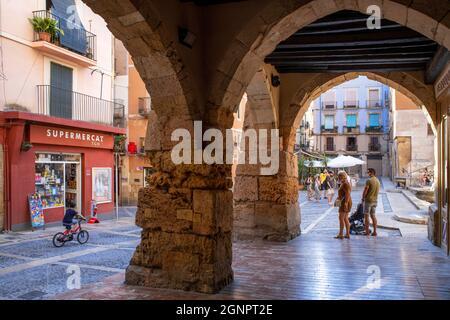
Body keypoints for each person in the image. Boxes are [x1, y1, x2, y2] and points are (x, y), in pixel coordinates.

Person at [362, 168, 381, 236]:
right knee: (373, 216)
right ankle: (375, 231)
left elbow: (365, 190)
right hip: (375, 201)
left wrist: (363, 198)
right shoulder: (377, 180)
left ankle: (367, 232)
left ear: (371, 173)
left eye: (368, 172)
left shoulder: (369, 180)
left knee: (366, 216)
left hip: (368, 200)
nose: (367, 174)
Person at [335, 171, 352, 239]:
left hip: (345, 202)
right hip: (344, 202)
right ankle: (347, 234)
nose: (338, 177)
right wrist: (337, 201)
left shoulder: (345, 183)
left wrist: (345, 203)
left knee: (341, 218)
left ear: (342, 176)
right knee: (345, 218)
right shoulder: (344, 183)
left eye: (339, 176)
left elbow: (347, 194)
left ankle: (341, 234)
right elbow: (343, 194)